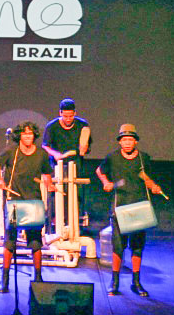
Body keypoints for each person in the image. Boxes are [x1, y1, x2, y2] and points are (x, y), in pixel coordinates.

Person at [96, 124, 162, 297]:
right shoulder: (112, 158)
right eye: (124, 140)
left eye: (130, 140)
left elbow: (146, 177)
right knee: (118, 247)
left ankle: (136, 282)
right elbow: (99, 171)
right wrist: (106, 182)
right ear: (120, 142)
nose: (127, 143)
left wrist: (153, 186)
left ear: (135, 142)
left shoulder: (143, 158)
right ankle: (115, 282)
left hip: (139, 207)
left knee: (137, 247)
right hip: (120, 208)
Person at [0, 121, 54, 293]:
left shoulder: (41, 153)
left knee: (35, 241)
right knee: (10, 240)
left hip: (33, 200)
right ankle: (4, 279)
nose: (28, 136)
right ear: (19, 135)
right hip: (14, 200)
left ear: (34, 135)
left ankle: (38, 278)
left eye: (30, 134)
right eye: (25, 133)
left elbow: (46, 173)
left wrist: (50, 184)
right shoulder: (11, 151)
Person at [42, 98, 91, 232]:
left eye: (70, 116)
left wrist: (84, 148)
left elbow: (85, 147)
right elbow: (45, 146)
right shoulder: (52, 126)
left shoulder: (82, 125)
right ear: (60, 113)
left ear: (75, 113)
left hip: (75, 165)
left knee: (75, 196)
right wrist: (55, 154)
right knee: (56, 195)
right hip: (56, 166)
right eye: (65, 116)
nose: (68, 119)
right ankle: (55, 226)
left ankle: (73, 226)